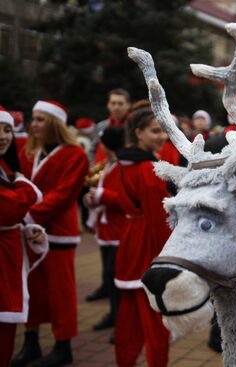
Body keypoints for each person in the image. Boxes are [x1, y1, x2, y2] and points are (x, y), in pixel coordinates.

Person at [12, 100, 88, 367]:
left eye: (41, 119)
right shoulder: (28, 150)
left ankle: (63, 345)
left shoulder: (75, 153)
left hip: (58, 233)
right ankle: (31, 341)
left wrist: (29, 214)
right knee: (31, 289)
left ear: (55, 123)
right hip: (28, 230)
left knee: (60, 292)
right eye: (33, 119)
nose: (34, 125)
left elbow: (64, 194)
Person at [114, 107, 171, 367]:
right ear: (138, 133)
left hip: (129, 241)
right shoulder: (148, 170)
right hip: (148, 246)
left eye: (162, 131)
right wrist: (169, 258)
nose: (161, 136)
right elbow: (158, 221)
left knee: (128, 316)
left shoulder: (125, 163)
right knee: (155, 319)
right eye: (155, 131)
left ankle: (125, 360)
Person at [0, 106, 48, 367]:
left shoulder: (4, 164)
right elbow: (10, 207)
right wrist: (24, 186)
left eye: (7, 129)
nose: (3, 136)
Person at [84, 126, 127, 333]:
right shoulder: (109, 164)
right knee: (108, 275)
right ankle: (114, 314)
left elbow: (125, 201)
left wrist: (101, 195)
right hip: (107, 230)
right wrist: (91, 198)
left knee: (115, 275)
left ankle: (121, 320)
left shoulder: (122, 166)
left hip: (119, 231)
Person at [89, 88, 131, 165]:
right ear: (108, 105)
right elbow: (92, 149)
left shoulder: (133, 126)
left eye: (120, 103)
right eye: (113, 103)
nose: (116, 107)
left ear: (128, 105)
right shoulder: (101, 126)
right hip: (100, 172)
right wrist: (92, 166)